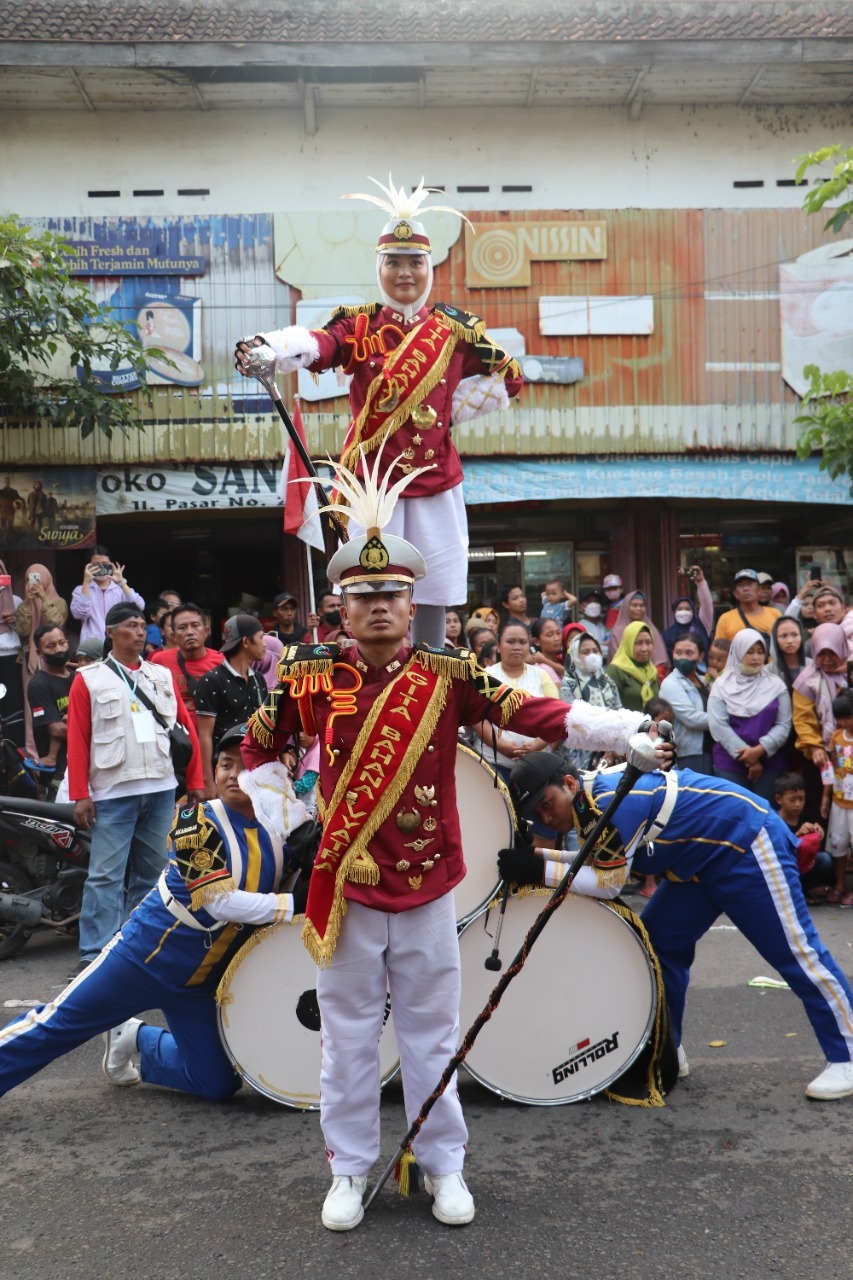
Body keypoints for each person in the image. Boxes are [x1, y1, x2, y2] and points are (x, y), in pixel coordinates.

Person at [239, 451, 652, 1232]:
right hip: (346, 884)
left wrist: (620, 733)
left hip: (429, 885)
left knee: (432, 1035)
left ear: (412, 598)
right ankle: (349, 1170)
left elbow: (529, 714)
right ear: (341, 605)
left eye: (393, 594)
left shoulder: (446, 672)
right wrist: (287, 822)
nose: (381, 609)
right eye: (364, 597)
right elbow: (256, 750)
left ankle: (443, 1165)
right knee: (348, 1041)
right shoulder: (307, 677)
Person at [236, 177, 523, 650]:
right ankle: (370, 673)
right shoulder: (360, 323)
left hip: (436, 480)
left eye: (415, 262)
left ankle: (429, 672)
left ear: (428, 267)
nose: (404, 272)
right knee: (369, 586)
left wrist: (450, 413)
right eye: (394, 262)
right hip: (371, 484)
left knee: (432, 591)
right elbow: (317, 345)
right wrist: (270, 347)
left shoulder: (455, 331)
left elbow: (509, 378)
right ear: (380, 267)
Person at [507, 751, 853, 1100]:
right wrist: (536, 857)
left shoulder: (613, 799)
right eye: (537, 814)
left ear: (569, 784)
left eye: (547, 804)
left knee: (797, 953)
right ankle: (667, 1050)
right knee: (656, 944)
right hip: (701, 864)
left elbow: (608, 881)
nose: (547, 818)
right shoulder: (589, 801)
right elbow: (596, 861)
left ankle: (848, 1055)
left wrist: (537, 868)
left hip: (746, 844)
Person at [0, 724, 314, 1101]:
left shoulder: (283, 826)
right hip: (144, 957)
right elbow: (219, 902)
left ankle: (133, 1036)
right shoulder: (194, 822)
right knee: (58, 1024)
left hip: (201, 980)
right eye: (225, 764)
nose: (234, 775)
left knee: (216, 1083)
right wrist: (295, 904)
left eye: (246, 764)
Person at [66, 602, 204, 978]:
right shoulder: (89, 678)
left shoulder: (160, 675)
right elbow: (78, 738)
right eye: (131, 625)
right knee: (105, 876)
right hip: (112, 791)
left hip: (161, 786)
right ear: (111, 632)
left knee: (155, 873)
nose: (141, 632)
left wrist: (194, 781)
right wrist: (80, 792)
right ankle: (95, 953)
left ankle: (138, 947)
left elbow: (185, 730)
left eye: (144, 625)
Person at [708, 629, 791, 801]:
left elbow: (783, 725)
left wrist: (759, 750)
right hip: (730, 764)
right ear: (737, 652)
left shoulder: (776, 686)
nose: (756, 658)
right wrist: (750, 759)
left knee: (766, 816)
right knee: (734, 815)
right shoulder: (721, 686)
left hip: (770, 763)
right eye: (749, 651)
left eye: (760, 652)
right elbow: (719, 726)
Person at [193, 615, 267, 798]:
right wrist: (208, 782)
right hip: (226, 773)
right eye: (261, 638)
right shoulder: (212, 681)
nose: (264, 644)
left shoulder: (259, 679)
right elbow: (204, 735)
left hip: (256, 770)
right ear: (246, 642)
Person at [477, 621, 561, 779]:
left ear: (529, 645)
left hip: (537, 763)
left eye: (522, 642)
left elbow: (555, 716)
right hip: (494, 763)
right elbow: (476, 718)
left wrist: (536, 744)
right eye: (510, 641)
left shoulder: (541, 675)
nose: (517, 647)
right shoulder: (486, 676)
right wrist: (501, 746)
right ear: (498, 646)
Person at [15, 564, 68, 759]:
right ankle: (33, 752)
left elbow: (57, 623)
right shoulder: (23, 604)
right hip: (31, 661)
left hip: (53, 660)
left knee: (56, 707)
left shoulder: (58, 601)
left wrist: (44, 599)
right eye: (30, 578)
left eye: (37, 578)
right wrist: (29, 604)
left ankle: (53, 752)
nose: (34, 582)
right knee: (32, 709)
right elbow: (22, 630)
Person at [792, 623, 850, 778]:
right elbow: (803, 719)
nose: (827, 660)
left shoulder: (849, 673)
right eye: (821, 653)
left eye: (832, 653)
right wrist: (815, 747)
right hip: (821, 754)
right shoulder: (806, 681)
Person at [559, 631, 622, 772]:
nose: (592, 655)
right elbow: (573, 720)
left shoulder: (607, 682)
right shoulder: (569, 683)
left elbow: (619, 712)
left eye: (595, 651)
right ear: (575, 655)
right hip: (581, 753)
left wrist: (612, 748)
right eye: (585, 652)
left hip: (611, 752)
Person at [150, 603, 223, 721]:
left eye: (195, 625)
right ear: (173, 635)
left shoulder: (222, 661)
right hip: (177, 735)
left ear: (206, 631)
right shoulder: (159, 661)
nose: (189, 632)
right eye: (182, 627)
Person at [773, 772, 832, 906]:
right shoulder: (774, 821)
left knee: (825, 859)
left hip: (802, 868)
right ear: (779, 799)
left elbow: (814, 851)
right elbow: (775, 852)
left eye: (801, 799)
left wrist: (817, 837)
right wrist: (796, 838)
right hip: (782, 870)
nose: (798, 804)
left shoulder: (806, 817)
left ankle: (804, 889)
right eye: (792, 800)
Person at [26, 624, 74, 788]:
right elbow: (57, 730)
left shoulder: (79, 677)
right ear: (39, 652)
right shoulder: (38, 685)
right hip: (61, 776)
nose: (59, 649)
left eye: (62, 642)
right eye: (51, 646)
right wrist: (98, 731)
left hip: (91, 764)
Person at [70, 545, 145, 644]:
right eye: (96, 564)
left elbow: (139, 607)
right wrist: (86, 583)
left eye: (105, 564)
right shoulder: (81, 589)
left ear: (111, 565)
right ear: (88, 566)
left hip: (118, 643)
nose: (101, 568)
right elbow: (80, 614)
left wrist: (122, 583)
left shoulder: (120, 589)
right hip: (92, 644)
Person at [660, 633, 712, 774]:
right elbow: (691, 718)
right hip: (689, 753)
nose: (683, 658)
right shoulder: (671, 683)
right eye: (678, 652)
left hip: (710, 750)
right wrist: (724, 720)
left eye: (689, 653)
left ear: (700, 656)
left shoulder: (703, 680)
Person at [821, 692, 853, 907]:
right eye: (839, 718)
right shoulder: (836, 738)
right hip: (839, 801)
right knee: (838, 844)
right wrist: (825, 796)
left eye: (847, 717)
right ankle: (840, 885)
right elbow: (830, 768)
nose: (843, 722)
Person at [712, 569, 787, 646]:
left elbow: (785, 643)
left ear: (759, 590)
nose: (745, 589)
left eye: (749, 584)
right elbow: (718, 650)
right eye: (740, 585)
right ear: (735, 593)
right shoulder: (725, 619)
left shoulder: (775, 614)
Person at [606, 591, 668, 675]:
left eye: (642, 605)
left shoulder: (651, 629)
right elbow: (616, 661)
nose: (638, 608)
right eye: (634, 605)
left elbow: (661, 660)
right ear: (626, 607)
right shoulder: (617, 632)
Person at [606, 620, 661, 712]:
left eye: (648, 643)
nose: (644, 649)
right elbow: (609, 707)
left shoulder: (651, 671)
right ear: (628, 644)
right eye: (638, 643)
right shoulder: (616, 670)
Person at [662, 566, 713, 662]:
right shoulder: (667, 634)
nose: (683, 611)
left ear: (693, 611)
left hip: (702, 674)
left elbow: (707, 604)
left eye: (687, 609)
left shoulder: (702, 625)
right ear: (674, 612)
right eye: (680, 609)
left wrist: (701, 582)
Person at [0, 560, 24, 747]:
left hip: (11, 659)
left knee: (12, 703)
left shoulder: (15, 601)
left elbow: (25, 631)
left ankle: (15, 747)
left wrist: (15, 621)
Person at [529, 616, 565, 681]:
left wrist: (545, 660)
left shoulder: (563, 659)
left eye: (558, 633)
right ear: (536, 641)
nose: (557, 638)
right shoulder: (541, 669)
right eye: (549, 635)